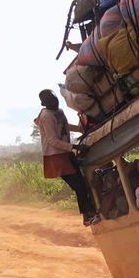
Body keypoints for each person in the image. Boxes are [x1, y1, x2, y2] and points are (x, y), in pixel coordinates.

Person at [35, 89, 100, 226]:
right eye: (50, 100)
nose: (54, 101)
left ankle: (89, 214)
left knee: (83, 182)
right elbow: (52, 140)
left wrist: (81, 128)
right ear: (43, 103)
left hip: (65, 153)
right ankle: (88, 215)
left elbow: (65, 126)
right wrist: (75, 147)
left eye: (55, 98)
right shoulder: (46, 116)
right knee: (79, 185)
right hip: (55, 157)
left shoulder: (59, 112)